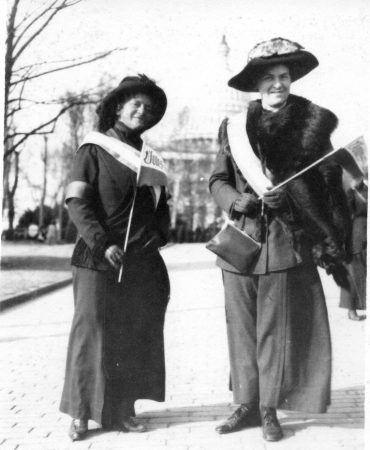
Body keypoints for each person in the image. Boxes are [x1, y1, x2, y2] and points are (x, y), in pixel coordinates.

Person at [209, 37, 351, 442]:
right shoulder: (233, 128)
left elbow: (326, 186)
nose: (277, 84)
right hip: (241, 242)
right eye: (269, 77)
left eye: (284, 76)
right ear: (256, 83)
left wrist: (292, 197)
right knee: (241, 328)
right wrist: (239, 200)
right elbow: (217, 181)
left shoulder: (311, 125)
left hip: (287, 243)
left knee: (276, 330)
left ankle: (269, 408)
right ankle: (245, 404)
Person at [60, 74, 171, 441]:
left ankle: (122, 410)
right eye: (135, 104)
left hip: (139, 259)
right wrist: (101, 242)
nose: (142, 111)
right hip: (97, 257)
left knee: (130, 335)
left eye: (148, 108)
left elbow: (161, 207)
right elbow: (77, 202)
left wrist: (158, 233)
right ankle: (80, 413)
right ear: (119, 107)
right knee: (90, 333)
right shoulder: (93, 149)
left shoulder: (151, 158)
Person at [339, 182, 367, 320]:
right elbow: (344, 215)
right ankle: (352, 310)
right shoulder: (355, 190)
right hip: (358, 236)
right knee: (355, 273)